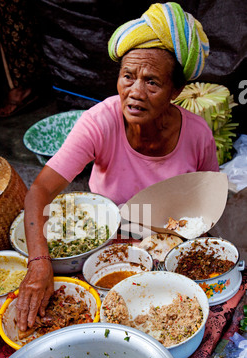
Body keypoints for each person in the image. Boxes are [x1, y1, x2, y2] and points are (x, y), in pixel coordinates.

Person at [15, 2, 219, 332]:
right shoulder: (99, 122)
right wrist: (39, 262)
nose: (135, 93)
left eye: (152, 82)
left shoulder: (197, 134)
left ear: (176, 90)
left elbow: (207, 207)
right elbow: (39, 191)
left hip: (167, 247)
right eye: (127, 77)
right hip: (106, 251)